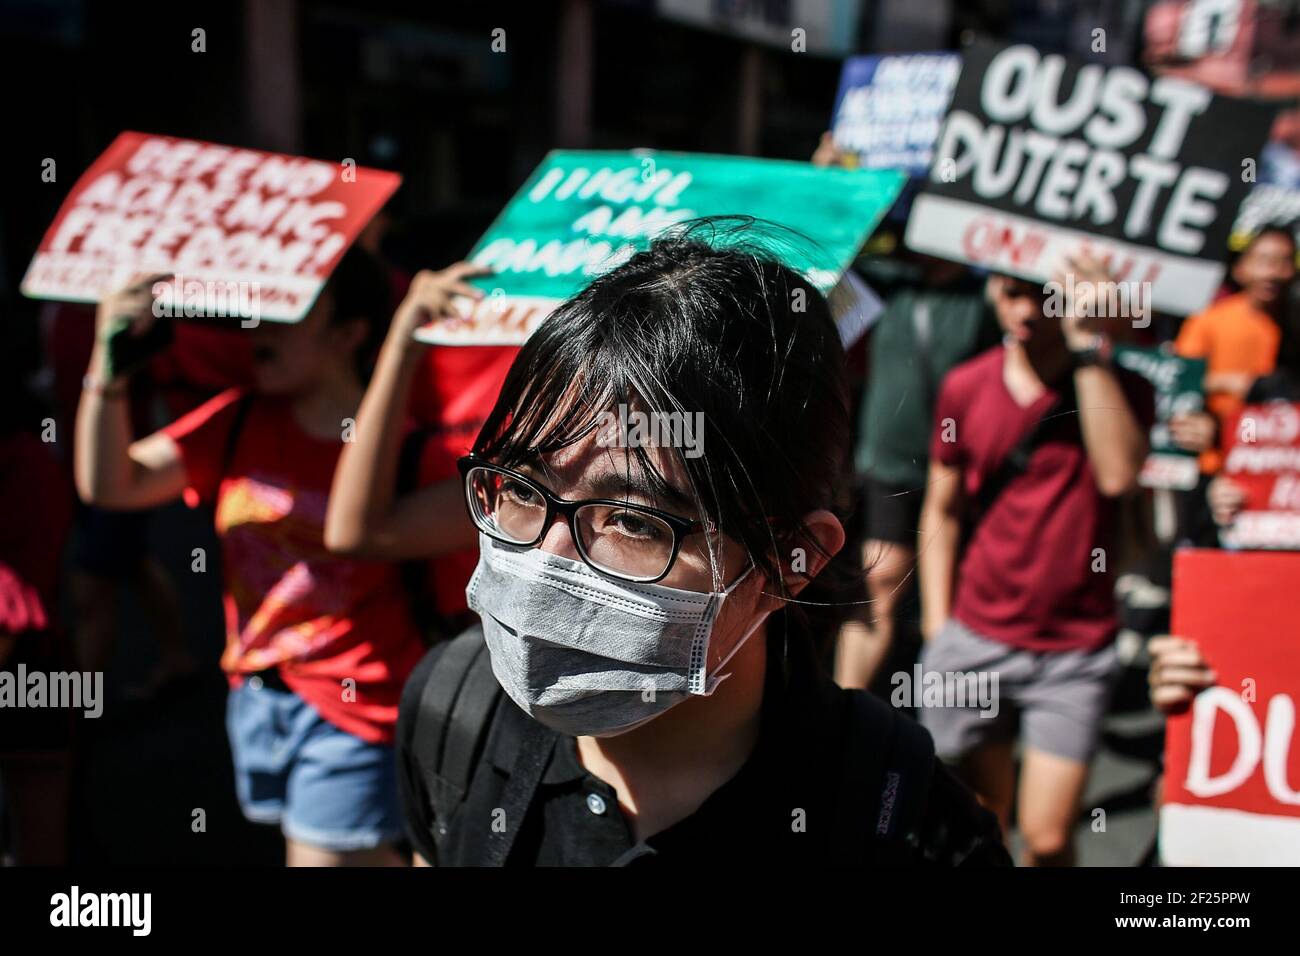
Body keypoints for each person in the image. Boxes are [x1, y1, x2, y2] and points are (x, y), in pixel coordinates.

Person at [337, 221, 1010, 866]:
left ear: (789, 561)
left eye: (633, 521)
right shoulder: (451, 713)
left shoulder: (910, 834)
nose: (546, 561)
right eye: (520, 487)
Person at [74, 248, 434, 866]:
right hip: (258, 699)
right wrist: (108, 372)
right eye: (260, 307)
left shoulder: (402, 449)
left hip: (359, 703)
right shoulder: (237, 419)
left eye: (289, 308)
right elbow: (112, 485)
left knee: (320, 859)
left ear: (350, 332)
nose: (260, 327)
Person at [917, 254, 1150, 866]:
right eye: (1009, 292)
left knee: (1046, 838)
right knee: (982, 818)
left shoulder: (1117, 387)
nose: (1022, 311)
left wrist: (1088, 349)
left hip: (1074, 651)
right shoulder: (966, 384)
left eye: (1039, 298)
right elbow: (941, 509)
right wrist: (936, 623)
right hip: (976, 636)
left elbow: (1120, 474)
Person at [834, 252, 999, 692]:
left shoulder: (990, 297)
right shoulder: (885, 281)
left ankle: (947, 699)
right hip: (889, 466)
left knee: (953, 592)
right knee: (879, 583)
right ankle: (843, 709)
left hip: (959, 468)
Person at [1168, 226, 1296, 545]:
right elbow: (1176, 379)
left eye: (1283, 262)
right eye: (1264, 260)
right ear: (1240, 269)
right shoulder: (1210, 321)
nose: (1273, 272)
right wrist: (1226, 383)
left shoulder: (1293, 324)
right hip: (1215, 466)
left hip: (1280, 477)